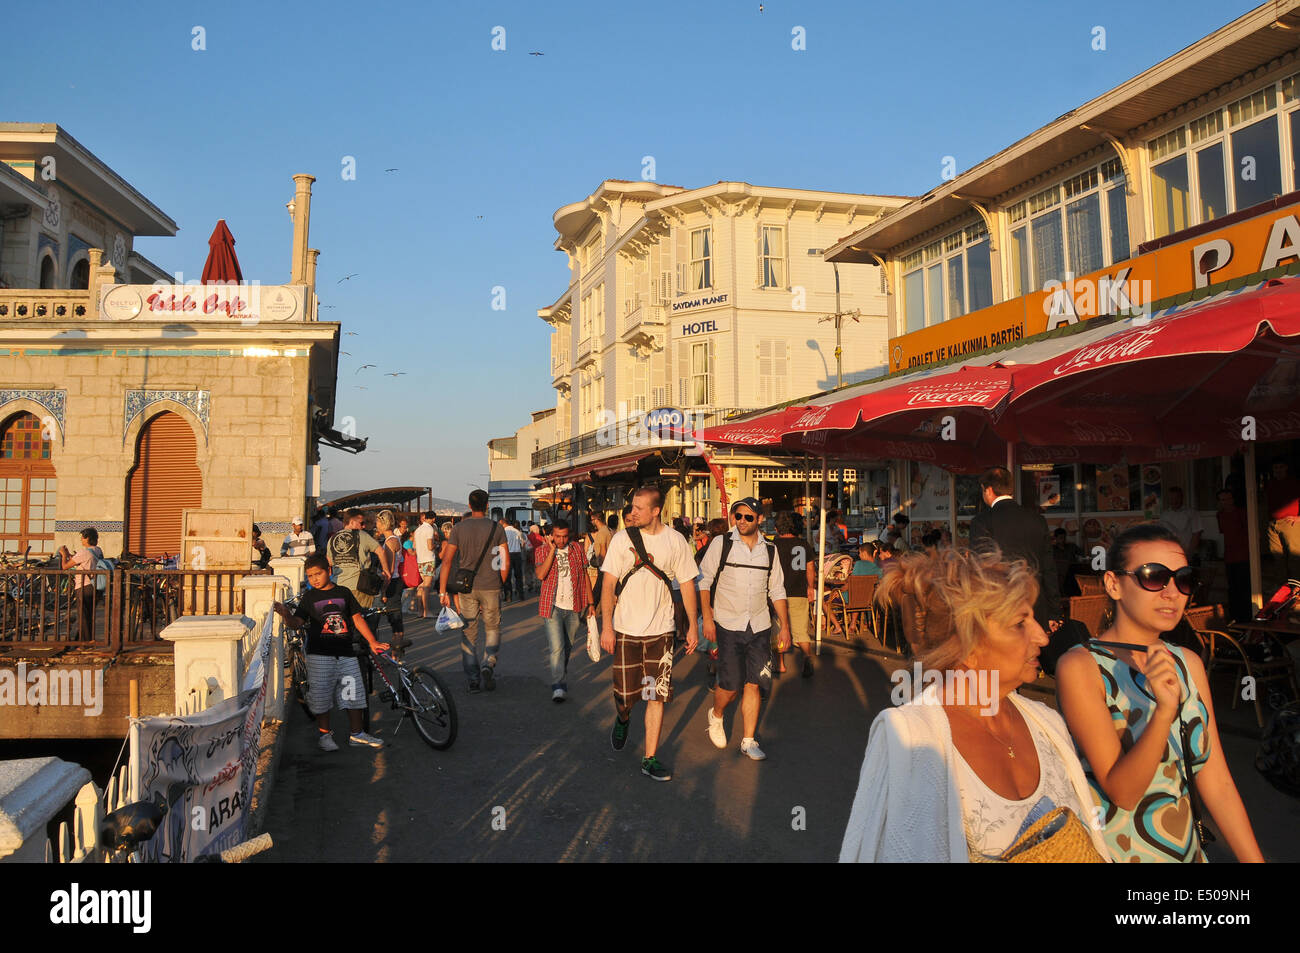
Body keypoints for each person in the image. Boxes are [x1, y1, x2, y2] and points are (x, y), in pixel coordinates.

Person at [840, 547, 1112, 862]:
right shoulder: (911, 740)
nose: (1042, 637)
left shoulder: (1046, 724)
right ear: (969, 647)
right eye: (1019, 623)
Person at [1056, 523, 1264, 863]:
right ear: (1113, 584)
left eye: (1183, 579)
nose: (1172, 593)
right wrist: (1164, 712)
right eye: (1154, 577)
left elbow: (1216, 781)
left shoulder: (1187, 662)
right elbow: (1122, 792)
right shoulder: (1082, 667)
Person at [599, 486, 699, 781]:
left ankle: (650, 758)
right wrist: (607, 626)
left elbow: (688, 584)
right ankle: (623, 716)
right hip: (626, 628)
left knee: (655, 695)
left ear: (656, 511)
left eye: (638, 508)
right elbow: (608, 584)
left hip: (662, 631)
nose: (632, 512)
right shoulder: (621, 539)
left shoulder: (676, 541)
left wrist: (693, 624)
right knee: (625, 695)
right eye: (632, 507)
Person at [698, 498, 789, 761]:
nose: (741, 521)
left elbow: (777, 589)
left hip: (759, 625)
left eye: (748, 517)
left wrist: (784, 628)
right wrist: (707, 615)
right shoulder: (722, 544)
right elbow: (704, 580)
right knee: (730, 685)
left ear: (760, 519)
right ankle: (716, 715)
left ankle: (748, 740)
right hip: (728, 624)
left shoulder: (769, 550)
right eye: (738, 516)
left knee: (754, 683)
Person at [272, 553, 388, 751]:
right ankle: (324, 735)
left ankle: (357, 734)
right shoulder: (309, 597)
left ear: (329, 571)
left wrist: (372, 641)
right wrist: (285, 614)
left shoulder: (344, 593)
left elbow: (357, 619)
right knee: (321, 696)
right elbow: (297, 622)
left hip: (346, 653)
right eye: (310, 576)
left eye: (318, 573)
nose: (314, 579)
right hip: (319, 655)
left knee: (354, 694)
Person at [969, 467, 1062, 636]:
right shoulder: (1037, 519)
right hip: (1035, 605)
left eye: (983, 491)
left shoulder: (981, 521)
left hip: (1001, 607)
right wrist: (1054, 611)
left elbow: (980, 568)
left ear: (988, 490)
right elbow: (1049, 567)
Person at [440, 489, 509, 693]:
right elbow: (504, 560)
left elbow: (447, 561)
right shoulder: (497, 528)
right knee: (492, 627)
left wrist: (443, 591)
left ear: (469, 505)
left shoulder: (459, 528)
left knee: (468, 632)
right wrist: (500, 583)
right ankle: (488, 663)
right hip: (491, 586)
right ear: (487, 505)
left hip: (466, 588)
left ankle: (472, 678)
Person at [534, 518, 594, 702]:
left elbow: (584, 576)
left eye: (565, 537)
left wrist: (591, 604)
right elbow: (541, 574)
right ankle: (558, 685)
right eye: (558, 537)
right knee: (557, 648)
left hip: (574, 606)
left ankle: (560, 672)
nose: (561, 540)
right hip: (552, 606)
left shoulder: (577, 549)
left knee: (567, 647)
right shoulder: (542, 550)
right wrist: (552, 550)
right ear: (551, 535)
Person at [773, 512, 814, 678]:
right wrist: (810, 587)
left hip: (777, 594)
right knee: (801, 631)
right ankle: (807, 657)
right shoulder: (804, 544)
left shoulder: (773, 545)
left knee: (779, 629)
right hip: (799, 591)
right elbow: (810, 569)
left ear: (777, 528)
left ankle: (780, 664)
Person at [371, 509, 409, 655]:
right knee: (396, 620)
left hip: (392, 583)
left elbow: (389, 570)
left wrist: (384, 591)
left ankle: (396, 654)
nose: (376, 525)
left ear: (382, 523)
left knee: (394, 619)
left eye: (377, 522)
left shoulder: (389, 542)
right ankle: (396, 654)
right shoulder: (396, 538)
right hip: (397, 581)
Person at [327, 509, 381, 610]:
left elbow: (329, 562)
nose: (363, 526)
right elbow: (380, 551)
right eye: (362, 523)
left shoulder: (333, 538)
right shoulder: (362, 535)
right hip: (360, 586)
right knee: (362, 618)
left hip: (338, 586)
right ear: (352, 522)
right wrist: (387, 570)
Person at [60, 528, 102, 641]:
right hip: (95, 586)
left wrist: (64, 555)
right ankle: (81, 639)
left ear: (87, 538)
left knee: (83, 615)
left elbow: (65, 567)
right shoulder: (98, 550)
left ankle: (86, 642)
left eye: (82, 537)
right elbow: (78, 560)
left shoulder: (84, 552)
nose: (81, 540)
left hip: (83, 587)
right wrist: (69, 554)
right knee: (89, 615)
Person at [1216, 489, 1251, 623]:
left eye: (1228, 499)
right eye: (1223, 500)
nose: (1226, 502)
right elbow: (1223, 532)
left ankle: (1246, 617)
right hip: (1230, 555)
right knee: (1232, 588)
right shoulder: (1220, 515)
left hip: (1244, 555)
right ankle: (1235, 617)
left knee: (1244, 587)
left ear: (1233, 499)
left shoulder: (1241, 513)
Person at [1265, 456, 1300, 578]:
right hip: (1273, 523)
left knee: (1294, 557)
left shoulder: (1294, 482)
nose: (1278, 470)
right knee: (1278, 557)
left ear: (1286, 468)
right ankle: (1283, 588)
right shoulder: (1270, 484)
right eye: (1275, 468)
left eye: (1281, 467)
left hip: (1290, 522)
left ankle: (1296, 589)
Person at [1159, 487, 1203, 562]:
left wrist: (1189, 553)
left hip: (1188, 554)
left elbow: (1197, 533)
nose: (1174, 501)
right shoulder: (1164, 515)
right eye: (1172, 498)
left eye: (1177, 498)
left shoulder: (1191, 513)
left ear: (1182, 498)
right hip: (1170, 554)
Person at [411, 512, 439, 618]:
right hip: (428, 559)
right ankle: (427, 611)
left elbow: (414, 545)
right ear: (433, 519)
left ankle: (420, 611)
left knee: (421, 586)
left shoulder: (418, 530)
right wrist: (436, 545)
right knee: (427, 586)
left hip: (420, 560)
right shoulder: (429, 529)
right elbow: (430, 546)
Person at [500, 516, 526, 602]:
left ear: (503, 523)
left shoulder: (503, 532)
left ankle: (508, 596)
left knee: (507, 576)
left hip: (507, 555)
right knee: (518, 576)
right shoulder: (517, 531)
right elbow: (523, 543)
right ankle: (520, 595)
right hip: (517, 554)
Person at [1051, 527, 1082, 597]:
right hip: (1059, 576)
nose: (1063, 540)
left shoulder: (1071, 546)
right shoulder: (1052, 549)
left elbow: (1083, 554)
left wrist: (1085, 539)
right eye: (1060, 538)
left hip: (1073, 574)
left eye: (1064, 538)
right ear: (1055, 538)